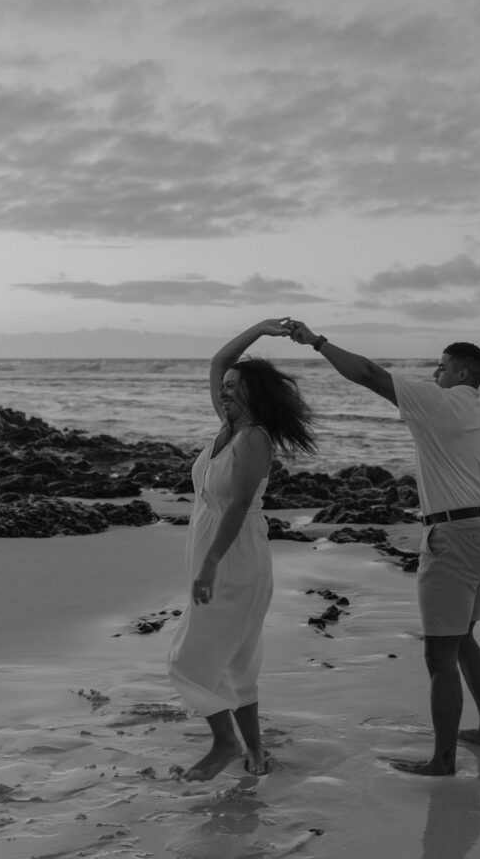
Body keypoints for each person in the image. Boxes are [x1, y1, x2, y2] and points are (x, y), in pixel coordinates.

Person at [286, 320, 480, 777]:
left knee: (440, 655)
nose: (434, 374)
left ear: (462, 374)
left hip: (455, 535)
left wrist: (318, 342)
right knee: (463, 639)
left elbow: (369, 374)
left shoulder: (441, 402)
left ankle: (442, 761)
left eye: (441, 367)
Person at [167, 318, 316, 781]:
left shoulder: (253, 438)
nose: (225, 390)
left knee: (187, 661)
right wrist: (261, 328)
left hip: (234, 558)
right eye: (225, 387)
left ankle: (225, 743)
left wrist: (210, 562)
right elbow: (218, 360)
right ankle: (255, 754)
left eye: (235, 387)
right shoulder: (227, 428)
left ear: (254, 394)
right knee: (237, 660)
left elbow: (239, 504)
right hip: (217, 550)